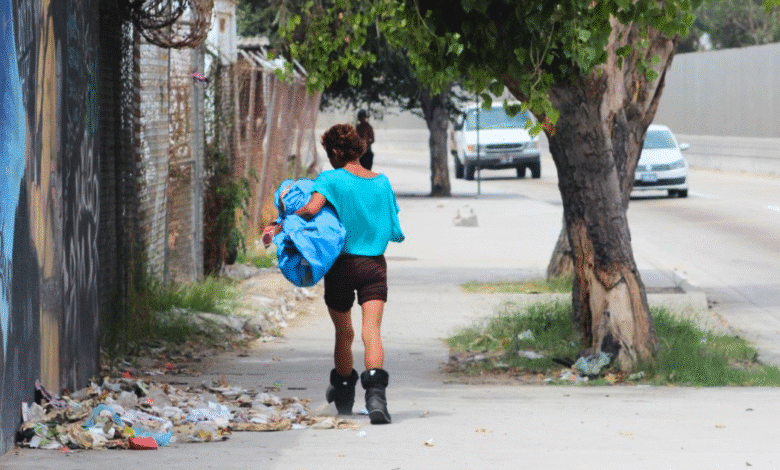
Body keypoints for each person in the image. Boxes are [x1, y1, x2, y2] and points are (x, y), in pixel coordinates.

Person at [295, 123, 404, 425]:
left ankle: (343, 393)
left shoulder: (330, 179)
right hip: (374, 266)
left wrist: (280, 223)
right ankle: (377, 398)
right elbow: (395, 229)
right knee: (372, 333)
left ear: (335, 152)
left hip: (341, 266)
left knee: (345, 334)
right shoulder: (382, 182)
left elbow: (310, 210)